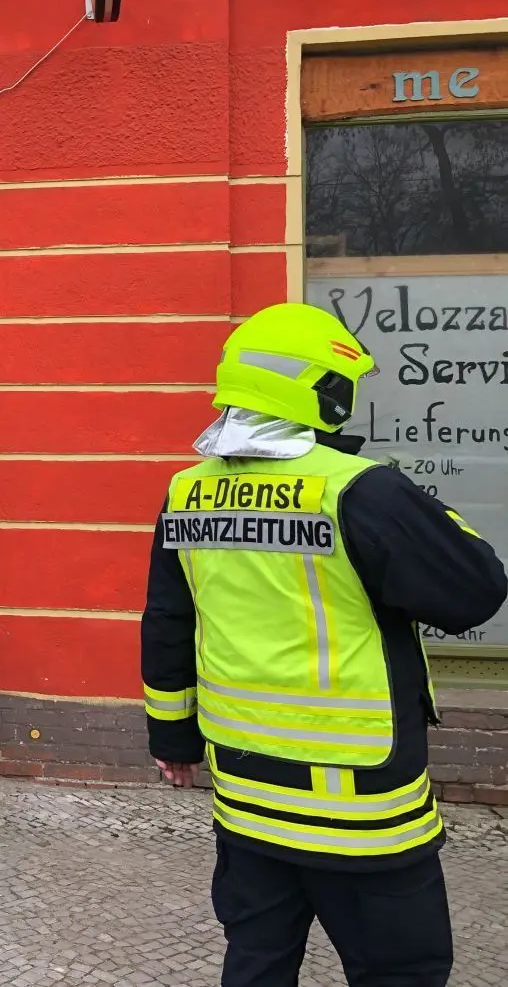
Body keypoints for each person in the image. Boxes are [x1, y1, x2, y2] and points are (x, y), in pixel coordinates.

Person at [141, 302, 507, 987]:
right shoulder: (360, 490)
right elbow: (476, 588)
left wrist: (173, 740)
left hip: (246, 794)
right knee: (402, 971)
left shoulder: (185, 491)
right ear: (326, 394)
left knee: (257, 964)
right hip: (362, 807)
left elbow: (168, 623)